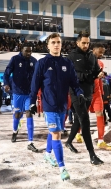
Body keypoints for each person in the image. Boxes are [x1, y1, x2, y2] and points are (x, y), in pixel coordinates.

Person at [29, 32, 83, 180]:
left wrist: (80, 93)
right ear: (48, 45)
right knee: (57, 134)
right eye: (53, 42)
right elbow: (35, 85)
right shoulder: (42, 63)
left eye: (58, 42)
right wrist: (32, 102)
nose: (56, 45)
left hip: (63, 105)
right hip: (49, 105)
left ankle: (47, 154)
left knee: (55, 131)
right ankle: (62, 168)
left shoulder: (67, 63)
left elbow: (74, 83)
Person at [64, 31, 104, 165]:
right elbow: (72, 76)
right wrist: (91, 76)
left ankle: (68, 142)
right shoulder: (71, 57)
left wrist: (100, 73)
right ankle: (92, 155)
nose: (86, 45)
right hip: (76, 93)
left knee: (79, 121)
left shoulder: (92, 56)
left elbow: (96, 70)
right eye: (83, 43)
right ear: (77, 43)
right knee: (85, 121)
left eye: (88, 43)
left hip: (88, 93)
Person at [3, 43, 38, 152]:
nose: (29, 53)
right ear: (21, 50)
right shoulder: (15, 59)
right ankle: (14, 131)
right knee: (18, 114)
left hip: (29, 93)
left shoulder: (34, 61)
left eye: (30, 51)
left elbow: (38, 75)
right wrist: (6, 84)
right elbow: (6, 73)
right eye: (26, 51)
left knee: (29, 113)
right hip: (17, 92)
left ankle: (30, 141)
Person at [89, 43, 111, 150]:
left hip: (97, 93)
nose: (102, 54)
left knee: (100, 114)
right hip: (86, 92)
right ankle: (78, 133)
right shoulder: (86, 60)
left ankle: (100, 140)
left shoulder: (101, 63)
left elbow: (99, 80)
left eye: (103, 52)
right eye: (100, 52)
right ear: (94, 50)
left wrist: (102, 92)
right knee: (82, 115)